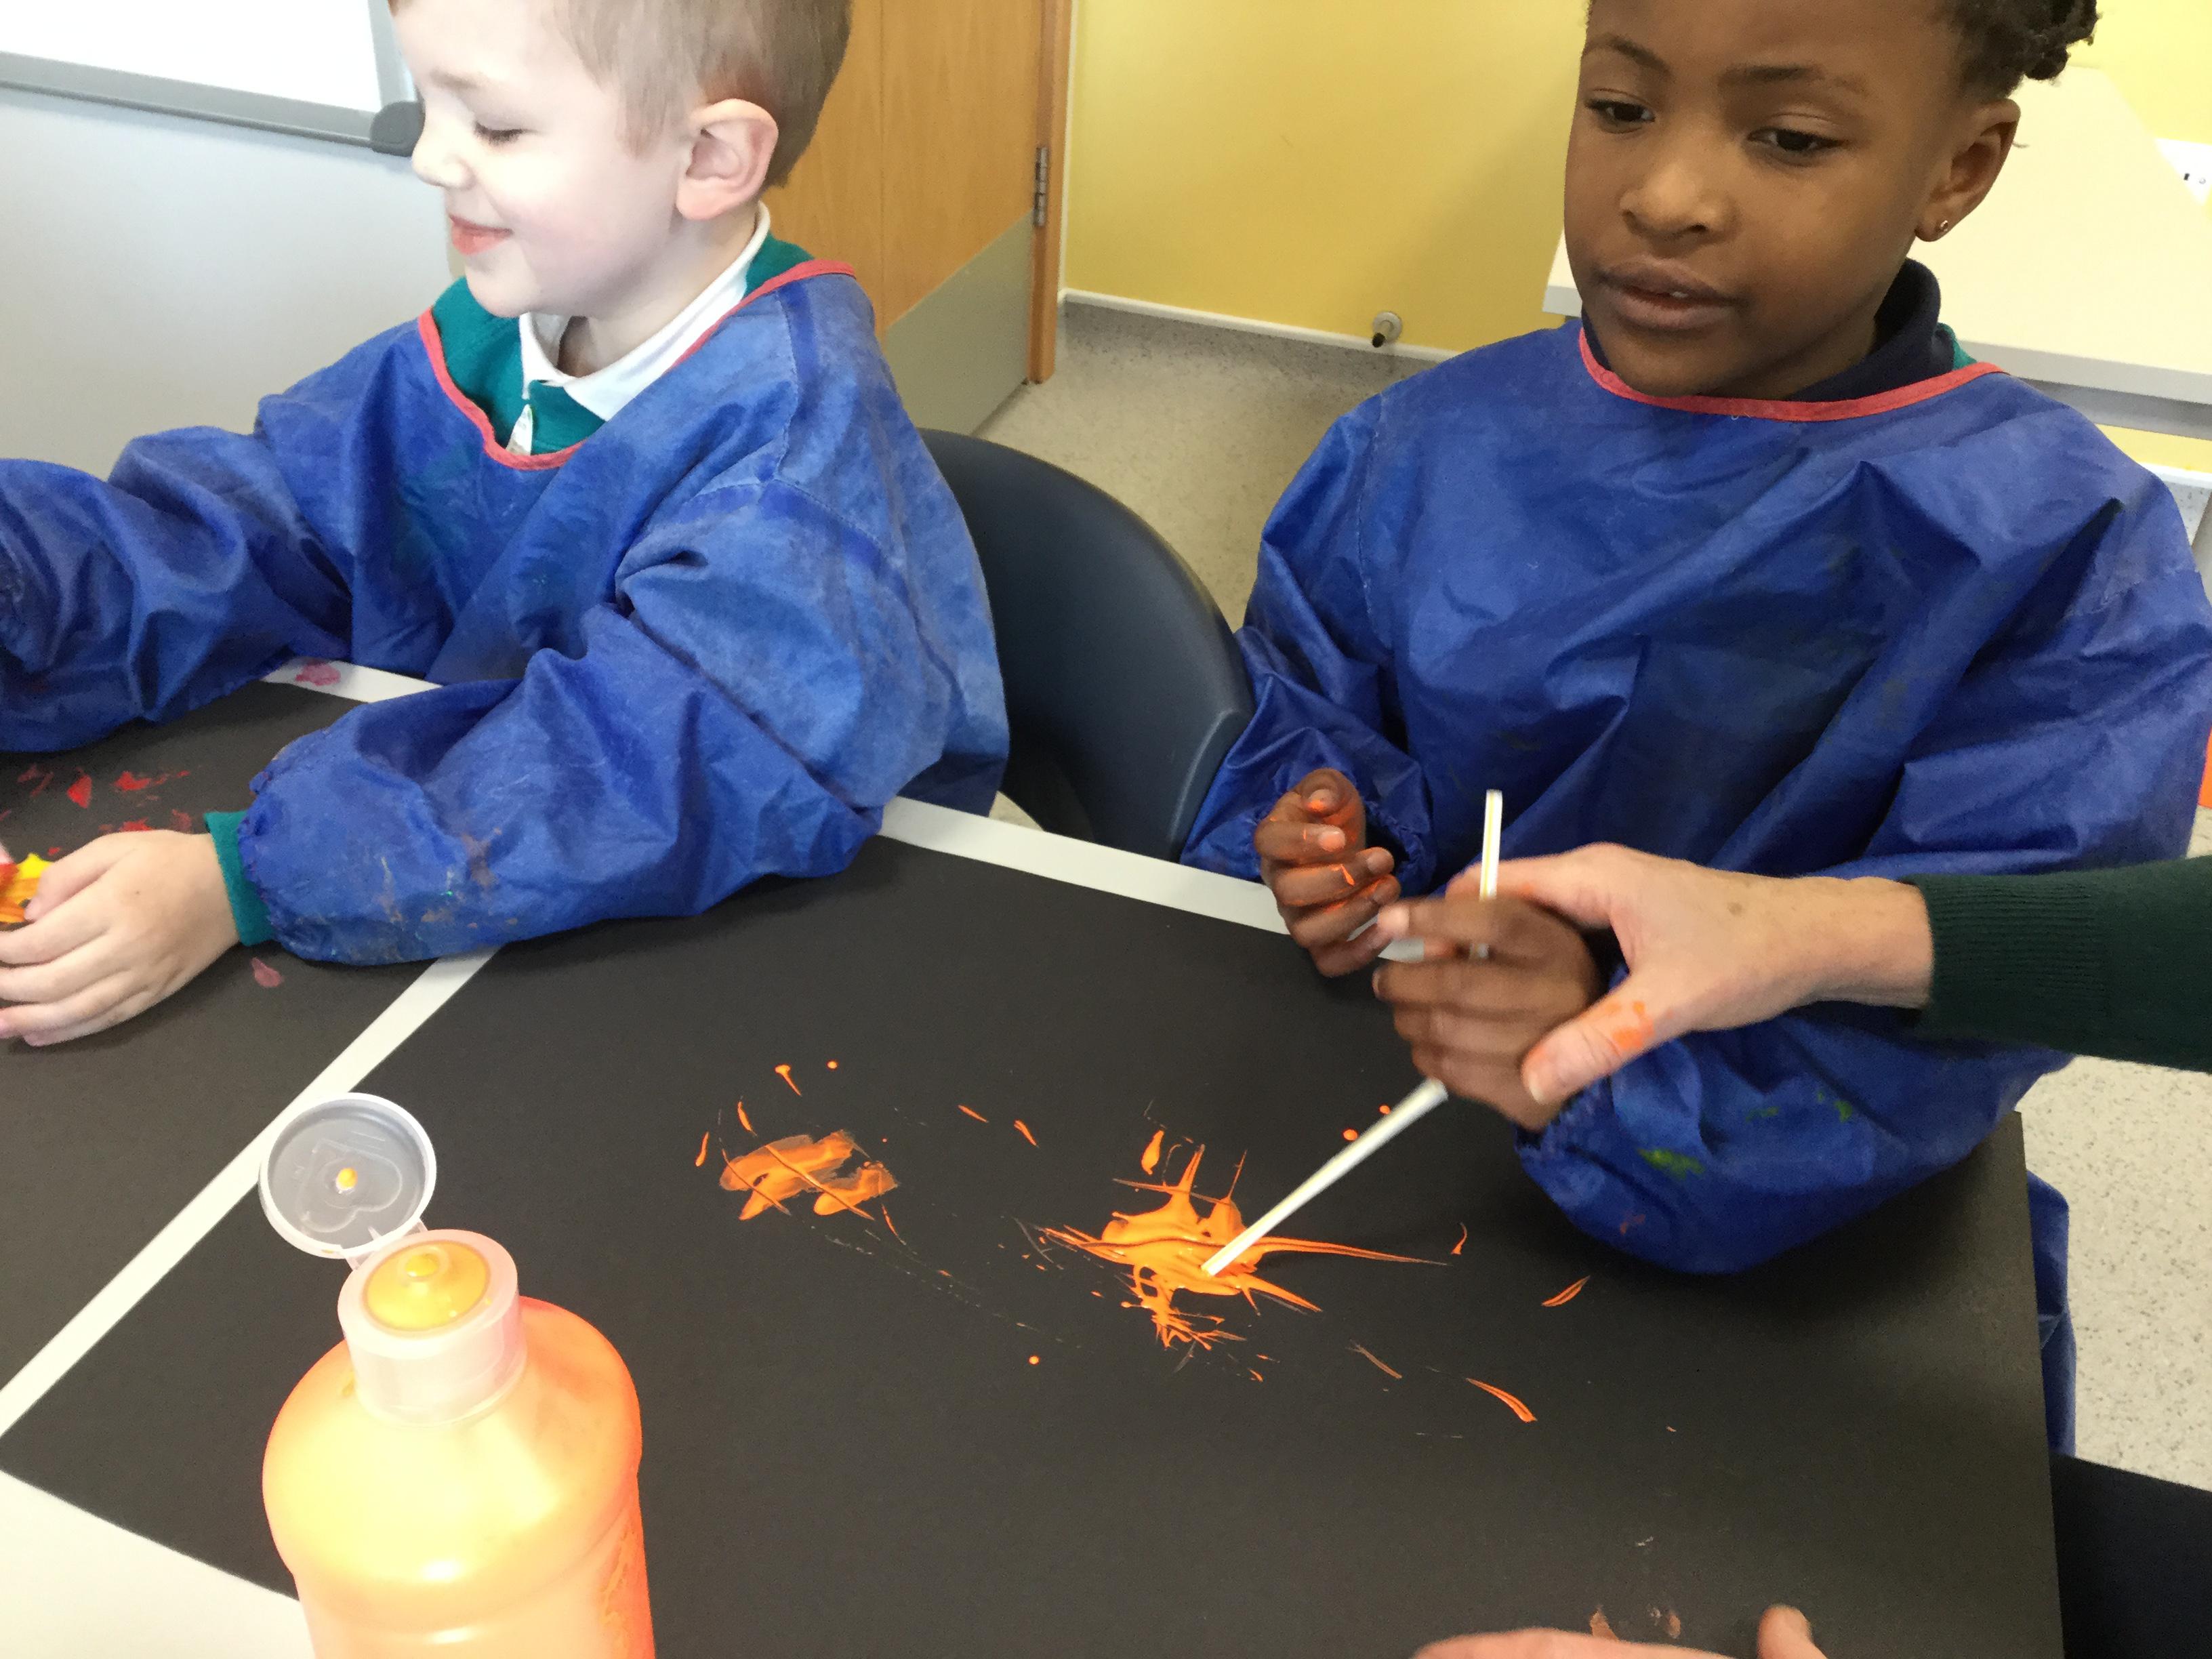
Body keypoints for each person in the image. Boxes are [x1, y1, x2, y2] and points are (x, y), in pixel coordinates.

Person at [1183, 0, 2212, 1452]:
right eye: (1620, 108)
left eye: (1788, 138)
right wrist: (1332, 849)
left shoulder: (2059, 554)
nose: (1665, 196)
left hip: (1782, 1259)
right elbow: (1308, 705)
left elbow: (1969, 985)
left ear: (1958, 168)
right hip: (1383, 1145)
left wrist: (1592, 1048)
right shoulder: (1420, 444)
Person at [0, 0, 1006, 1046]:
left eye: (496, 126)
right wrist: (27, 582)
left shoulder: (792, 459)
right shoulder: (502, 329)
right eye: (428, 104)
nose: (431, 158)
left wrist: (247, 876)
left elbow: (641, 769)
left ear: (708, 157)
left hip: (743, 943)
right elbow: (263, 523)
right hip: (484, 864)